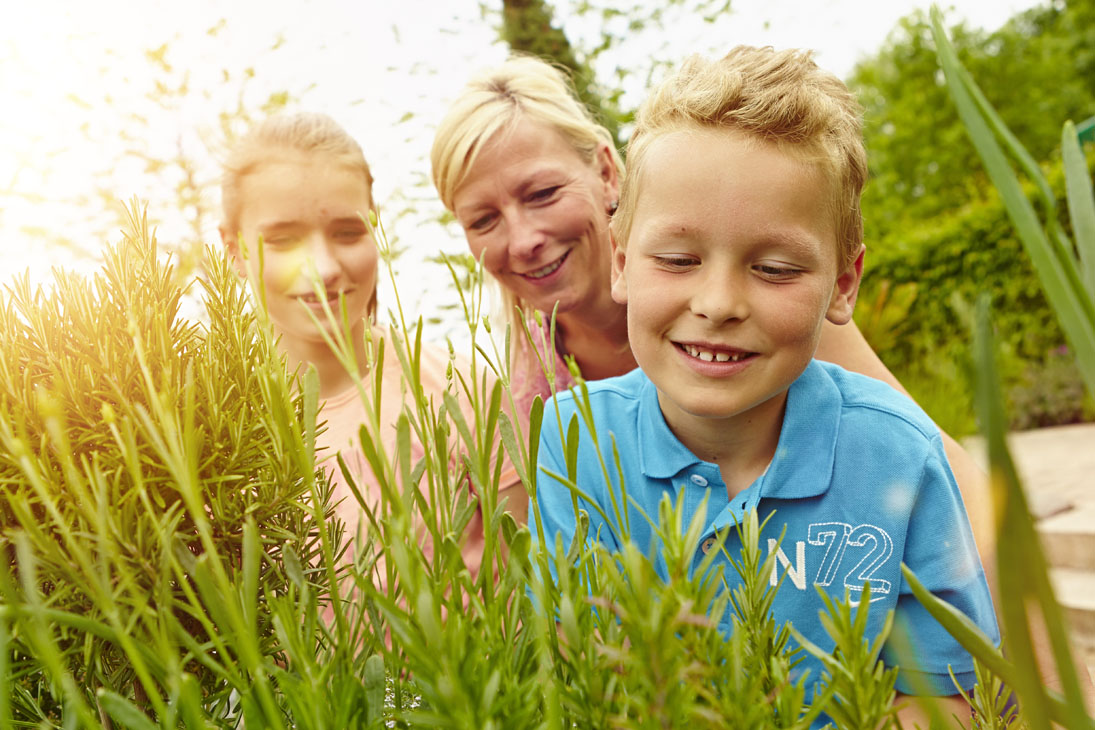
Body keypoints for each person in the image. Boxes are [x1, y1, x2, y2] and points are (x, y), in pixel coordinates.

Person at [528, 47, 998, 726]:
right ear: (623, 264)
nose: (718, 302)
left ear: (842, 284)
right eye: (678, 259)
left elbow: (941, 695)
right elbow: (572, 675)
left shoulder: (899, 452)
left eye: (774, 268)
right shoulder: (574, 441)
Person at [429, 53, 997, 578]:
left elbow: (937, 473)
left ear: (607, 171)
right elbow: (534, 570)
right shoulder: (524, 391)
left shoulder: (767, 304)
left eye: (543, 193)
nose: (524, 239)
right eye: (484, 221)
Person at [219, 112, 522, 600]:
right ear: (233, 251)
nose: (322, 267)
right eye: (283, 240)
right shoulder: (212, 430)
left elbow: (525, 586)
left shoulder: (461, 390)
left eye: (347, 232)